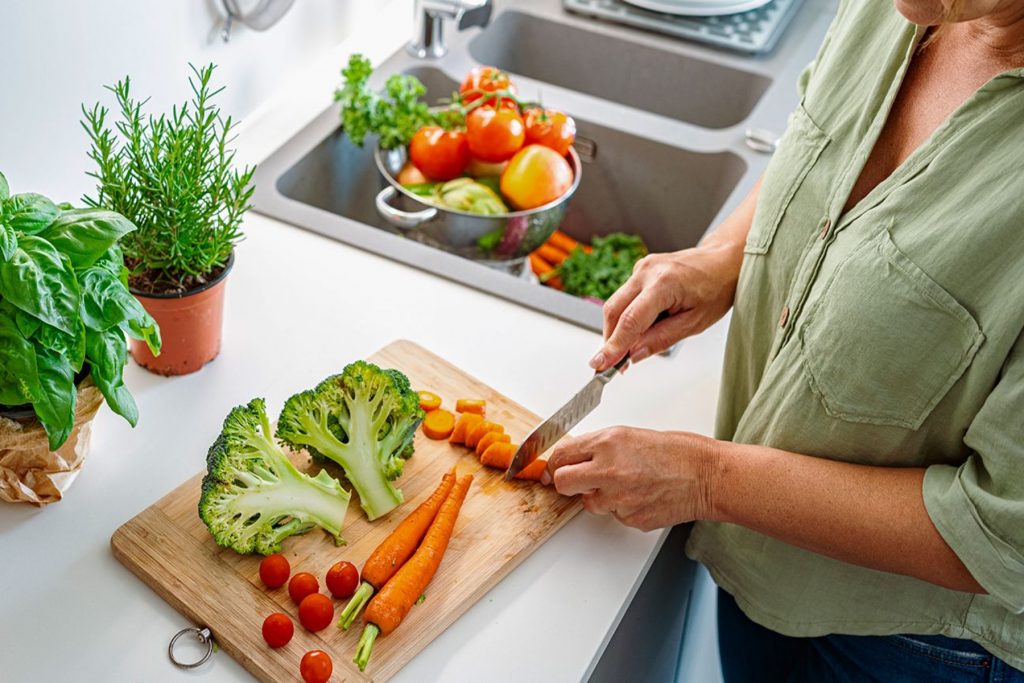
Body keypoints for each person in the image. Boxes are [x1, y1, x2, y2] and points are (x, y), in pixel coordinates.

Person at [542, 0, 1024, 679]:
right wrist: (720, 262)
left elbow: (1005, 533)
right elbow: (820, 134)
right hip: (762, 561)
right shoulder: (901, 10)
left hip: (913, 650)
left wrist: (710, 480)